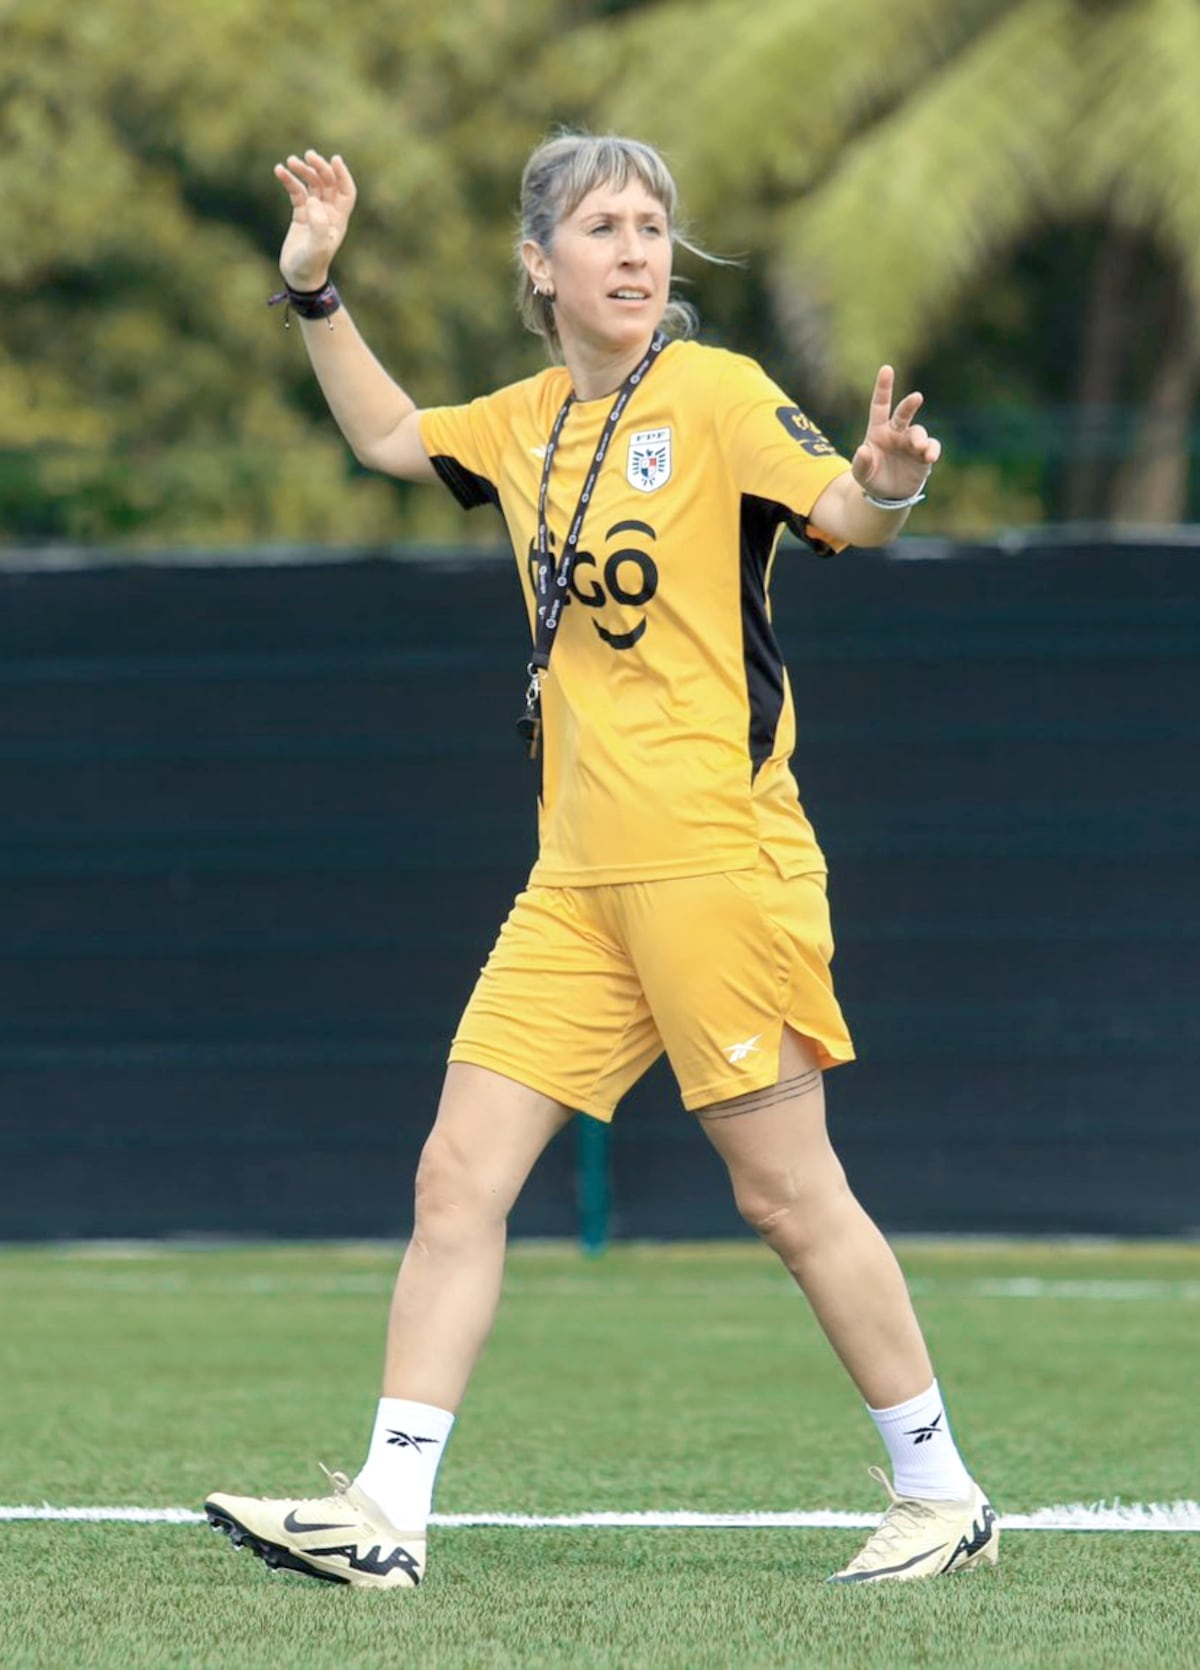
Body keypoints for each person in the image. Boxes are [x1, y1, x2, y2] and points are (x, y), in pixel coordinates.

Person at [205, 133, 998, 1589]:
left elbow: (845, 519)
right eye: (604, 227)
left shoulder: (714, 393)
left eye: (653, 227)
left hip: (718, 861)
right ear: (540, 265)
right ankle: (387, 1513)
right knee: (456, 1178)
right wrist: (315, 293)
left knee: (786, 1193)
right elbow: (391, 437)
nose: (637, 251)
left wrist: (888, 482)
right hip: (573, 881)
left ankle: (940, 1490)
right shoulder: (521, 422)